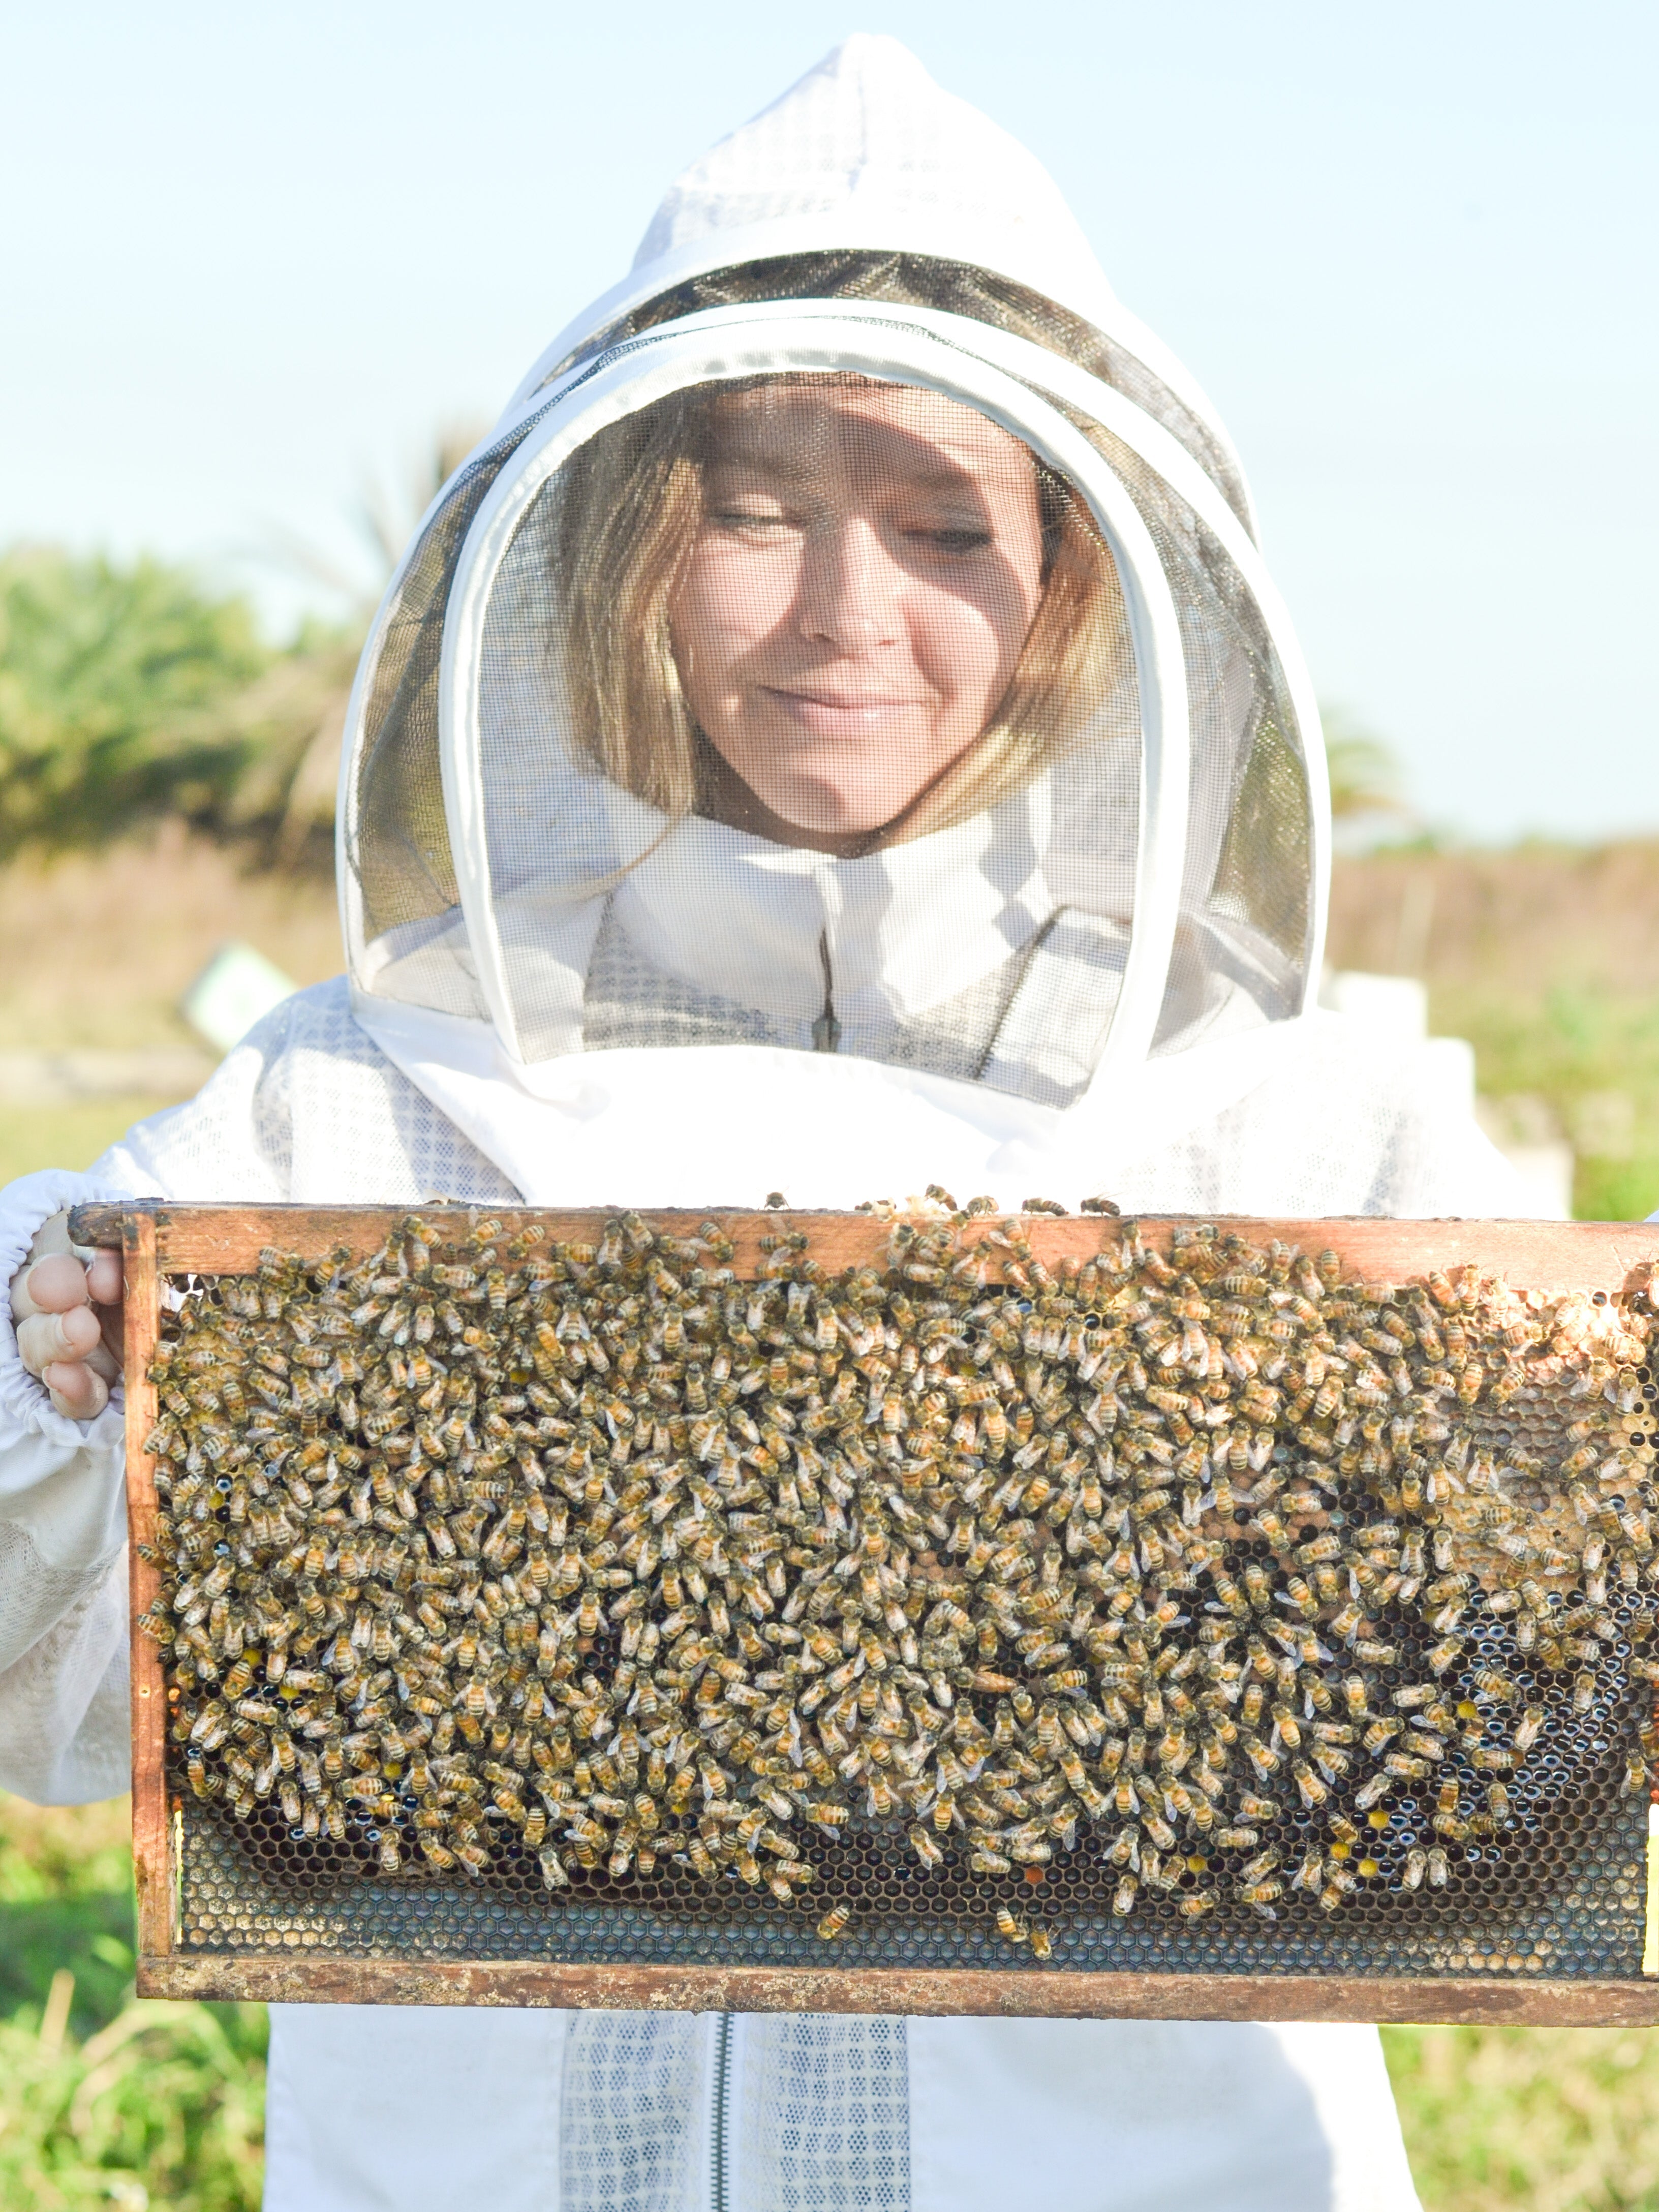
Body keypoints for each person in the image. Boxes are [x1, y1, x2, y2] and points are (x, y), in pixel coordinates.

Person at [1, 35, 1533, 2212]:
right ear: (628, 535)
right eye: (756, 506)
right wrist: (55, 1338)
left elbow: (1542, 1720)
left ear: (1076, 583)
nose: (842, 617)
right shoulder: (364, 1095)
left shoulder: (1293, 1119)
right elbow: (46, 1691)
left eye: (940, 524)